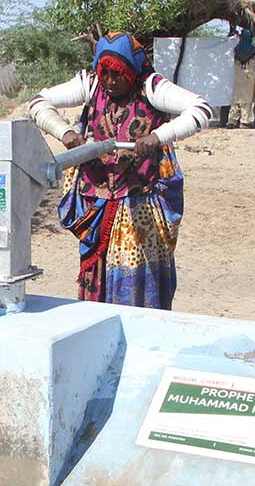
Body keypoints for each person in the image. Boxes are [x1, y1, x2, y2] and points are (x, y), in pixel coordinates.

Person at [28, 33, 213, 309]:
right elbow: (38, 102)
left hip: (140, 204)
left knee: (137, 278)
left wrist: (158, 136)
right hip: (97, 203)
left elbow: (201, 110)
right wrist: (64, 131)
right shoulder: (91, 84)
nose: (110, 81)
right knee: (96, 275)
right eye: (105, 73)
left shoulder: (152, 86)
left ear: (132, 71)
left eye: (118, 74)